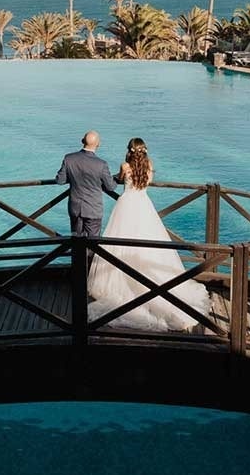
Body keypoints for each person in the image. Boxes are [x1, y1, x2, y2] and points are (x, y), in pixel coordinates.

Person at [86, 138, 211, 332]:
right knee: (149, 247)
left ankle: (124, 285)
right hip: (143, 205)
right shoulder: (149, 166)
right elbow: (148, 182)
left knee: (121, 246)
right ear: (144, 151)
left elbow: (118, 179)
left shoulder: (125, 166)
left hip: (126, 205)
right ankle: (153, 285)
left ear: (129, 150)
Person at [54, 130, 117, 238]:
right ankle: (90, 255)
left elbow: (60, 180)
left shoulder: (69, 158)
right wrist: (116, 178)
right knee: (93, 241)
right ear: (98, 144)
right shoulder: (101, 164)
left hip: (75, 207)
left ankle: (76, 255)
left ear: (82, 141)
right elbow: (110, 187)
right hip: (93, 208)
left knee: (76, 239)